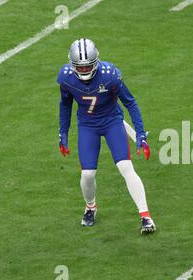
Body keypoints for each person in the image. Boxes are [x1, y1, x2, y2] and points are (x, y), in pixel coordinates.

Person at [57, 38, 156, 234]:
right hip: (87, 125)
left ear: (96, 63)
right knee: (87, 174)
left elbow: (130, 102)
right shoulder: (66, 78)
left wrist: (141, 134)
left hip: (112, 122)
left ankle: (145, 216)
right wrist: (63, 133)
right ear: (72, 64)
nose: (84, 71)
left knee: (125, 166)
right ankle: (90, 207)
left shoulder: (109, 75)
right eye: (80, 67)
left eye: (88, 67)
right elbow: (65, 105)